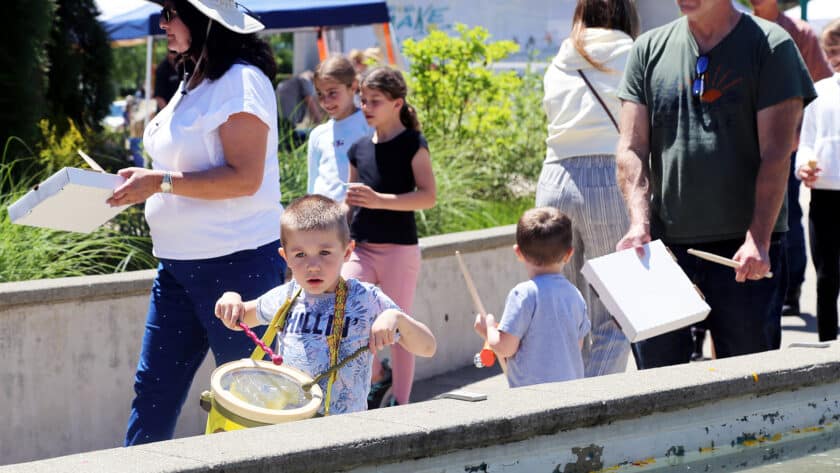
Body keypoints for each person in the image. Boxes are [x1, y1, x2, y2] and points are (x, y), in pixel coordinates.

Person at [106, 0, 285, 445]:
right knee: (154, 392)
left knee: (256, 399)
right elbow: (176, 172)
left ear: (206, 20)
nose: (162, 23)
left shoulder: (240, 81)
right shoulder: (194, 78)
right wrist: (143, 185)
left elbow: (245, 179)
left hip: (238, 266)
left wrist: (159, 183)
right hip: (177, 267)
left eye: (171, 12)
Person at [615, 0, 816, 369]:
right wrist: (638, 224)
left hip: (743, 253)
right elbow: (631, 147)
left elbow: (776, 154)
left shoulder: (771, 45)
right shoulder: (647, 48)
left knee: (746, 386)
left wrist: (758, 238)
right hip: (663, 251)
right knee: (657, 389)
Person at [214, 195, 437, 415]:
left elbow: (427, 348)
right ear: (285, 257)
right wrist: (231, 298)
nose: (313, 266)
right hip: (291, 424)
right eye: (300, 254)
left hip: (346, 429)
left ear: (347, 252)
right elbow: (240, 318)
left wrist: (397, 318)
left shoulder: (365, 299)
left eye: (324, 253)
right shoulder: (286, 297)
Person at [537, 0, 638, 377]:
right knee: (615, 311)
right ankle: (589, 409)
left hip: (554, 177)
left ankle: (562, 401)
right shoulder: (633, 53)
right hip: (607, 176)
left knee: (564, 312)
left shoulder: (561, 57)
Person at [341, 67, 436, 406]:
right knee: (344, 309)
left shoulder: (412, 143)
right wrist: (334, 238)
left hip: (399, 250)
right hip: (361, 248)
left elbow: (428, 196)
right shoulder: (358, 148)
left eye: (374, 101)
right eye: (363, 100)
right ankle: (374, 380)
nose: (366, 107)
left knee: (399, 327)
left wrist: (381, 201)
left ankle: (403, 403)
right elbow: (349, 203)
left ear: (397, 103)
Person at [750, 0, 833, 316]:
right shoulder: (741, 28)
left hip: (787, 144)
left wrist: (800, 136)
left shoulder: (800, 32)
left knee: (786, 218)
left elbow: (821, 86)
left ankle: (791, 287)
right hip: (745, 144)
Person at [473, 207, 590, 388]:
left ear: (518, 252)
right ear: (569, 254)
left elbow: (506, 347)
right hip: (571, 393)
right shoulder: (575, 295)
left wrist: (488, 329)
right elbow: (576, 346)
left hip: (533, 397)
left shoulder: (523, 295)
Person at [796, 18, 840, 342]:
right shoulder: (820, 93)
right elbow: (808, 141)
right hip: (824, 196)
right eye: (832, 51)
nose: (835, 57)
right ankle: (827, 347)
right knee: (825, 277)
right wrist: (802, 166)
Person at [307, 56, 372, 202]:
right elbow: (312, 182)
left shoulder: (370, 124)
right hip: (324, 219)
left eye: (332, 92)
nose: (326, 101)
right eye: (320, 94)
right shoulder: (318, 134)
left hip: (358, 217)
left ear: (353, 87)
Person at [276, 70, 325, 148]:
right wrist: (322, 127)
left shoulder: (291, 81)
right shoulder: (306, 79)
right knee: (316, 135)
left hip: (278, 124)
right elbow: (310, 103)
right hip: (287, 125)